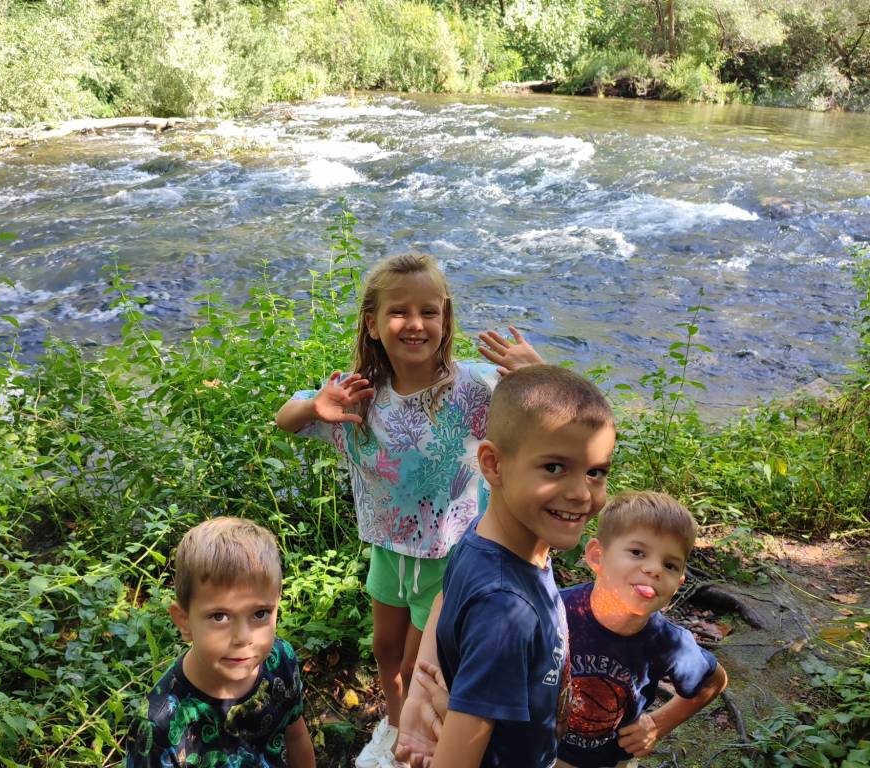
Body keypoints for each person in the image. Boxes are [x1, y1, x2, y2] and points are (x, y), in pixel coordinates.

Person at [275, 253, 542, 767]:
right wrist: (314, 407)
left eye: (429, 312)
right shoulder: (358, 394)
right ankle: (397, 726)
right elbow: (285, 417)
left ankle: (426, 740)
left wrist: (538, 375)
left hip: (451, 557)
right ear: (373, 324)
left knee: (423, 666)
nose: (415, 324)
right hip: (388, 549)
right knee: (384, 649)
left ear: (445, 319)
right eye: (399, 312)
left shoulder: (477, 387)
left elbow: (558, 419)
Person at [397, 491, 730, 768]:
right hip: (543, 755)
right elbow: (458, 617)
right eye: (637, 552)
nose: (654, 569)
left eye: (670, 564)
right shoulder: (553, 609)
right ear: (597, 556)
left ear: (679, 582)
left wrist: (658, 723)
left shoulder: (668, 643)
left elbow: (714, 681)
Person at [427, 365, 618, 768]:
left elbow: (443, 600)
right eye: (554, 467)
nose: (581, 493)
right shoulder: (504, 611)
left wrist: (433, 696)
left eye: (596, 472)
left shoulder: (488, 536)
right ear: (493, 464)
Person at [124, 517, 316, 768]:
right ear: (184, 622)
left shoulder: (281, 661)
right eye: (219, 616)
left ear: (277, 605)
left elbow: (296, 736)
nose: (243, 637)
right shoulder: (158, 727)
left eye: (260, 613)